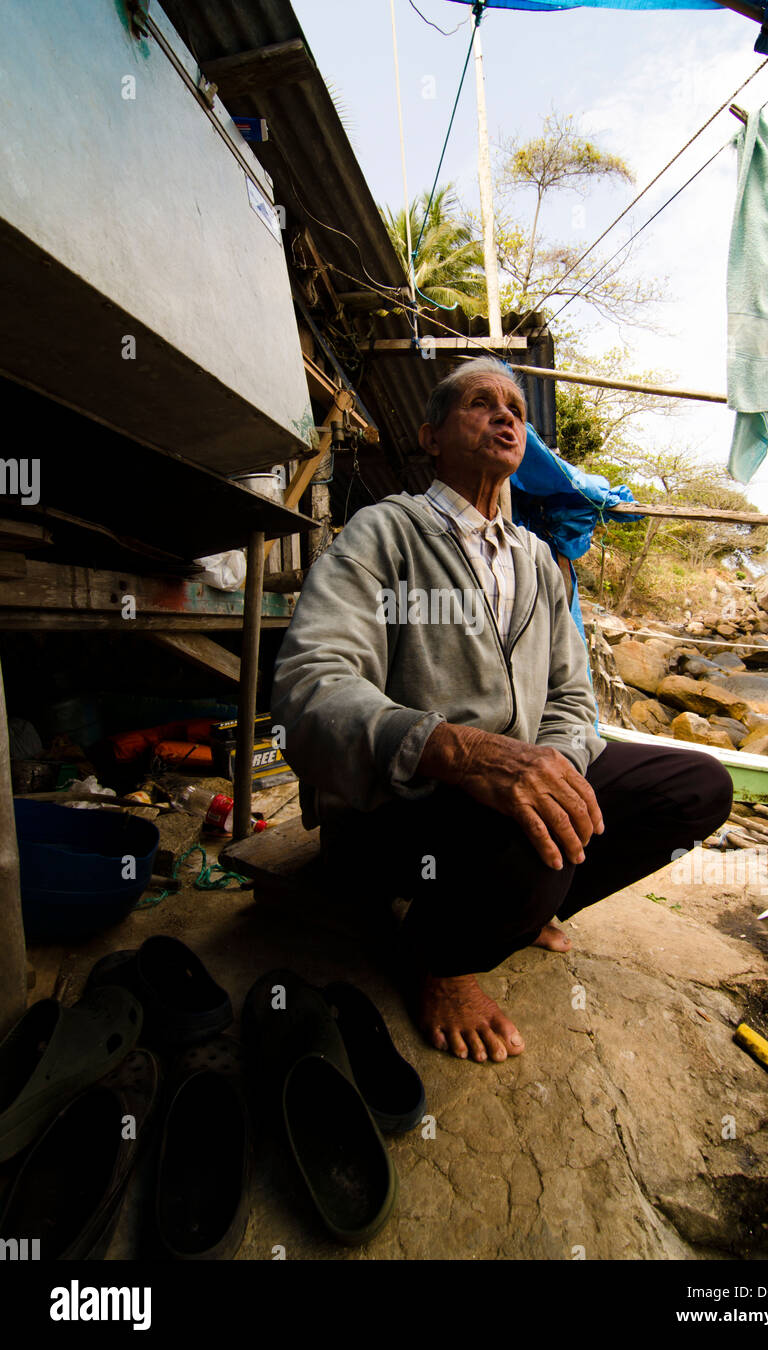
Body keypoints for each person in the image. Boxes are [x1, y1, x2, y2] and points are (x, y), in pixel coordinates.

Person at [271, 356, 733, 1064]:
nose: (507, 415)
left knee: (696, 786)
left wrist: (547, 765)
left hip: (508, 783)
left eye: (514, 407)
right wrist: (461, 752)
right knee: (533, 850)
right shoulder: (383, 532)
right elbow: (311, 685)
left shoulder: (537, 559)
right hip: (403, 801)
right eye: (481, 404)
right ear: (431, 437)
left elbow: (572, 698)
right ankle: (442, 961)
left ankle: (517, 910)